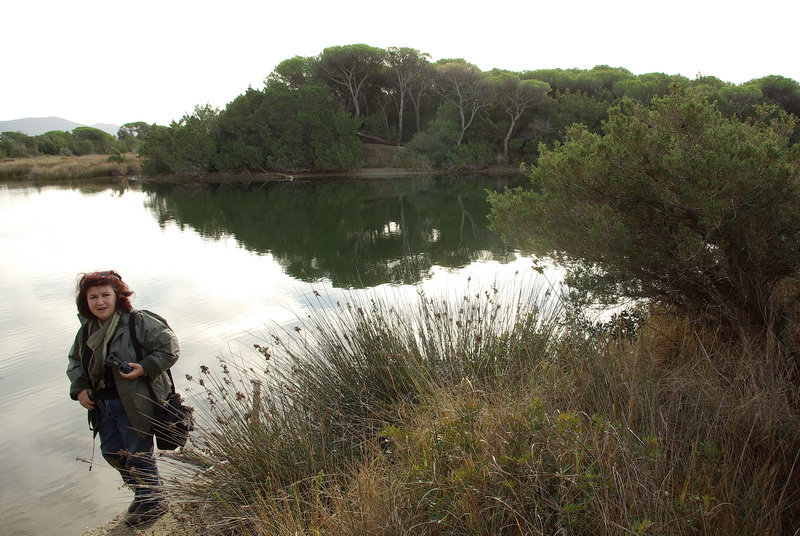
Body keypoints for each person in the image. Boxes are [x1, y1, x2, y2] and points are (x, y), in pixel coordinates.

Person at [66, 270, 179, 526]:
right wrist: (80, 387)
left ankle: (153, 503)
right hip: (102, 405)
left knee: (138, 454)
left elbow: (169, 348)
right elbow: (75, 362)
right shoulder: (87, 330)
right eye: (93, 297)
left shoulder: (138, 322)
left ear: (118, 297)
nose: (100, 302)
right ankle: (144, 493)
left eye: (105, 295)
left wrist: (146, 366)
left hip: (137, 403)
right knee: (112, 453)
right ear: (86, 301)